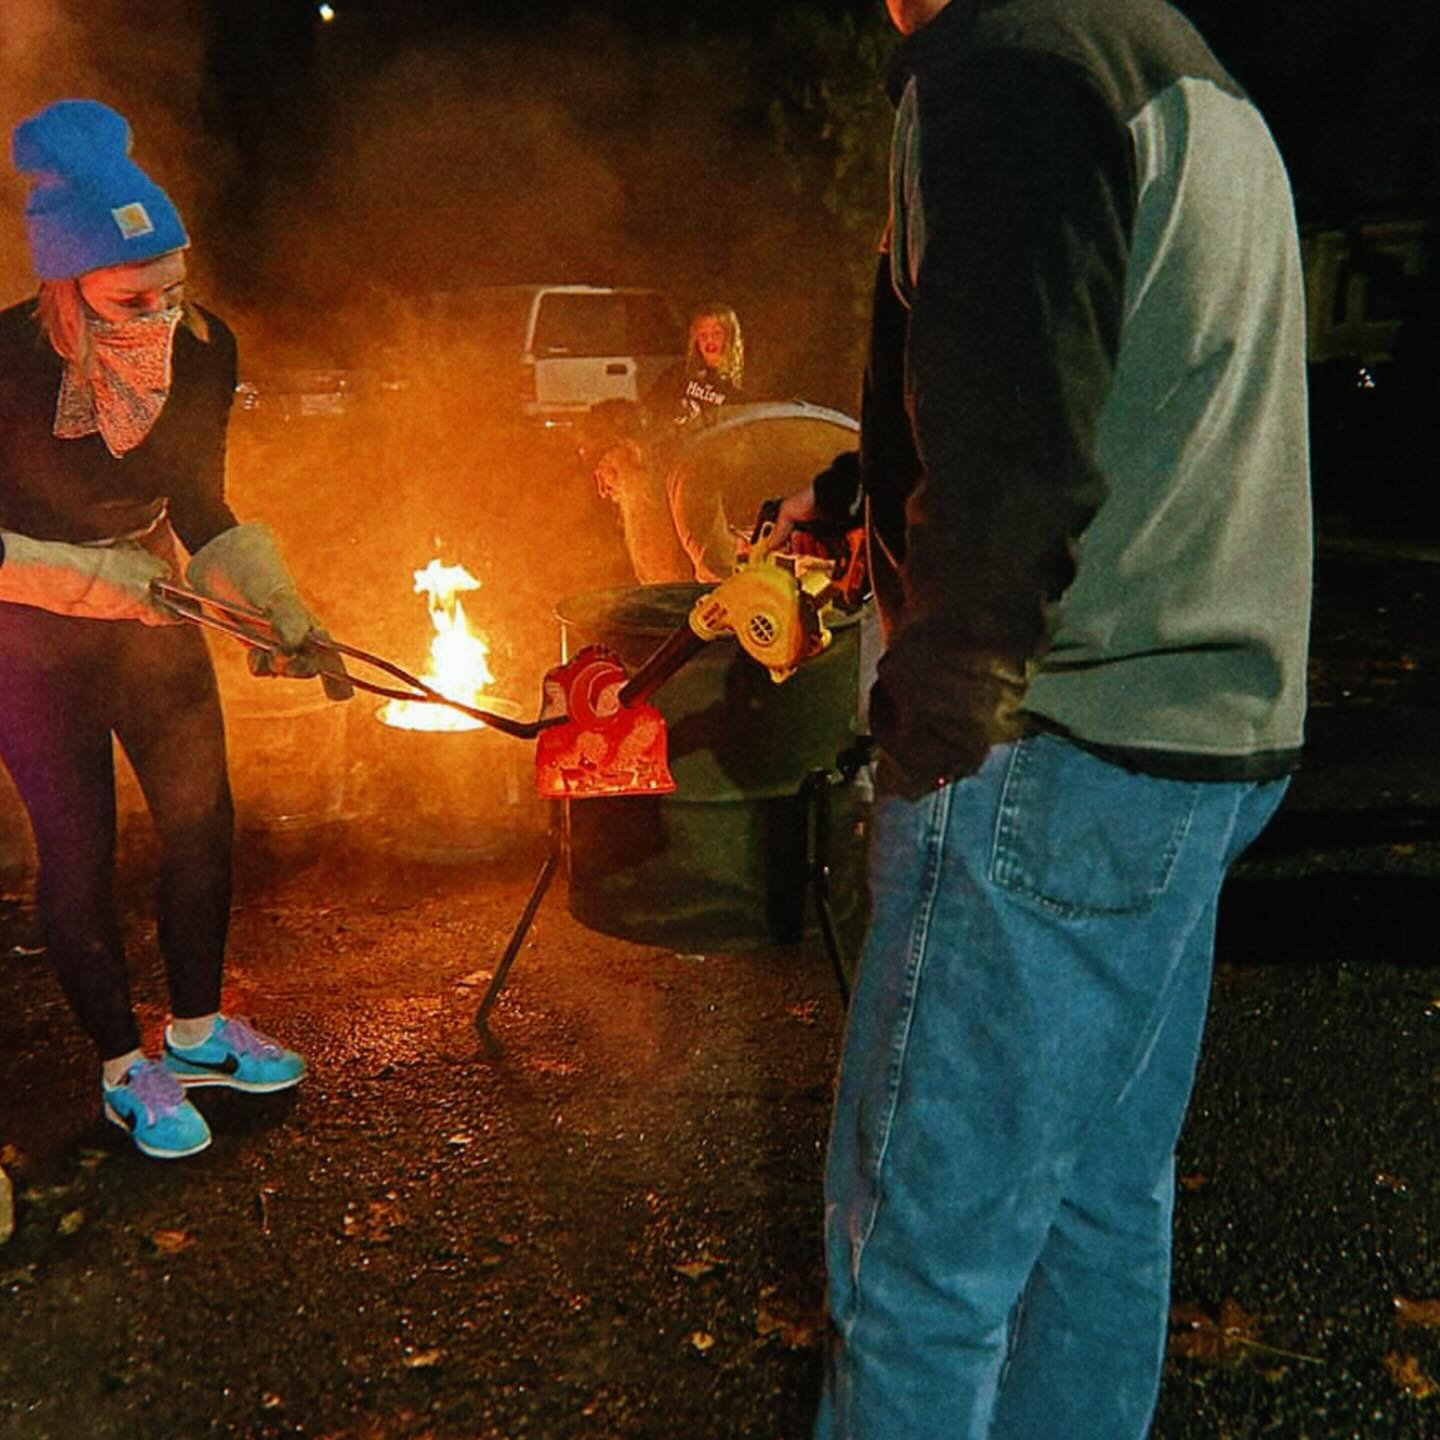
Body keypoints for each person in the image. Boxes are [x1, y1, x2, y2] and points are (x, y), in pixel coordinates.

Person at [774, 1, 1312, 1435]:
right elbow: (1070, 362)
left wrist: (932, 728)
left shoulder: (1011, 64)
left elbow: (1015, 464)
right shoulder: (1169, 56)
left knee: (922, 1268)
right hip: (1198, 736)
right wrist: (847, 502)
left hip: (1049, 750)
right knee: (1095, 1209)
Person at [0, 100, 343, 1160]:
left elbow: (201, 505)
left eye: (176, 288)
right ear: (66, 289)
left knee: (203, 823)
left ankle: (195, 1033)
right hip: (27, 645)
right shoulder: (3, 364)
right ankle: (121, 1068)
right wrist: (83, 576)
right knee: (78, 851)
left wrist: (275, 603)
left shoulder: (203, 349)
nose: (159, 317)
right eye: (127, 298)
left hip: (151, 610)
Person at [647, 302, 745, 427]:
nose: (709, 340)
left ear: (729, 336)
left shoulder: (740, 383)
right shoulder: (678, 373)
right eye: (703, 335)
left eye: (716, 333)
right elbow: (649, 406)